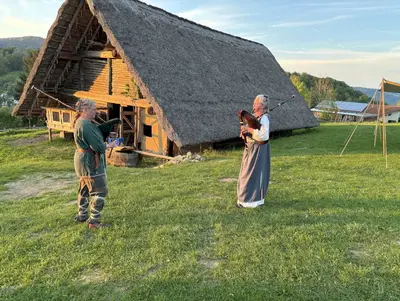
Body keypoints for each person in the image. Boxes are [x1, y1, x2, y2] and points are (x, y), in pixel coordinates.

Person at [73, 99, 117, 229]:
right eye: (93, 109)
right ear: (85, 110)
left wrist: (103, 131)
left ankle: (82, 215)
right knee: (100, 191)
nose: (96, 112)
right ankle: (94, 221)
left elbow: (92, 136)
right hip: (90, 162)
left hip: (83, 161)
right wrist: (109, 145)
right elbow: (98, 147)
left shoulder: (82, 123)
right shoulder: (84, 124)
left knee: (85, 189)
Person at [237, 94, 270, 208]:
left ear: (261, 105)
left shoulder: (264, 119)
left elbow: (263, 136)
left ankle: (253, 201)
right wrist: (244, 132)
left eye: (256, 103)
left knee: (253, 175)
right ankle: (243, 200)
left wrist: (249, 129)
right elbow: (250, 130)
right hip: (250, 150)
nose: (253, 105)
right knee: (245, 174)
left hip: (258, 151)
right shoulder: (255, 117)